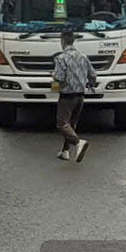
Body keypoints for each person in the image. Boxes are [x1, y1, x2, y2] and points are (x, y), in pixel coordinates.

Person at [53, 29, 97, 163]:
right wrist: (90, 84)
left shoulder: (61, 58)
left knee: (62, 123)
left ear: (62, 41)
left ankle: (78, 143)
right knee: (71, 123)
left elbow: (59, 77)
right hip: (80, 95)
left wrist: (52, 75)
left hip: (67, 95)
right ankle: (65, 152)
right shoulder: (83, 56)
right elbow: (93, 75)